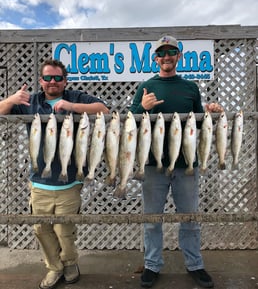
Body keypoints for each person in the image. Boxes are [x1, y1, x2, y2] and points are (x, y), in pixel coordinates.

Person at [0, 59, 109, 289]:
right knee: (41, 229)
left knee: (64, 230)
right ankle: (54, 268)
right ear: (41, 81)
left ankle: (70, 263)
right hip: (39, 184)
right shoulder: (31, 101)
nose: (52, 82)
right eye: (47, 77)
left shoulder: (77, 97)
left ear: (65, 80)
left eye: (58, 78)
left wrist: (72, 107)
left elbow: (103, 109)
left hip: (70, 183)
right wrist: (11, 99)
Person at [130, 35, 223, 288]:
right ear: (156, 58)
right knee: (152, 218)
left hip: (187, 164)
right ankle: (151, 264)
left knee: (190, 217)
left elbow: (200, 123)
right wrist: (142, 108)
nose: (167, 56)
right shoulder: (145, 87)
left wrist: (213, 114)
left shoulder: (191, 87)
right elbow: (129, 124)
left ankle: (195, 264)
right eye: (162, 53)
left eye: (171, 51)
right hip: (152, 164)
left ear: (178, 56)